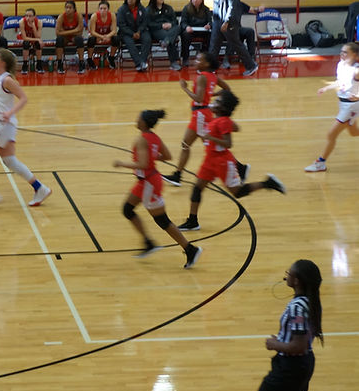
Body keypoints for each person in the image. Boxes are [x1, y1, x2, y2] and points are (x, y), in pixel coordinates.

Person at [240, 259, 326, 391]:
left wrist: (275, 344)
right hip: (302, 365)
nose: (286, 275)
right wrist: (282, 340)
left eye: (289, 273)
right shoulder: (310, 302)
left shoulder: (297, 308)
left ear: (297, 281)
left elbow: (299, 346)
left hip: (289, 369)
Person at [180, 90, 286, 231]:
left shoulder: (222, 121)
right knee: (197, 188)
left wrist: (211, 137)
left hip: (222, 162)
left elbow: (228, 143)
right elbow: (236, 127)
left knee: (238, 192)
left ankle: (268, 183)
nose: (214, 102)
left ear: (222, 108)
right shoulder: (220, 119)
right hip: (210, 160)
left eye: (217, 102)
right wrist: (228, 123)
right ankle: (192, 221)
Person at [113, 109, 202, 268]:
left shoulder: (142, 140)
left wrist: (122, 164)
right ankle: (148, 242)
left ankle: (190, 249)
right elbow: (167, 156)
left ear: (144, 122)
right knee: (127, 210)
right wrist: (152, 156)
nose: (136, 120)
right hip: (146, 182)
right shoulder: (154, 137)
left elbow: (143, 164)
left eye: (138, 118)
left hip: (149, 183)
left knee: (162, 220)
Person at [0, 48, 52, 210]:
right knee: (10, 161)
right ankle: (40, 188)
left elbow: (23, 98)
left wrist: (10, 112)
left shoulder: (7, 80)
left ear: (3, 62)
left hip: (1, 125)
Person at [162, 52, 239, 187]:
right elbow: (227, 89)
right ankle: (178, 175)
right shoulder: (212, 76)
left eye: (199, 60)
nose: (195, 61)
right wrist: (211, 94)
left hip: (200, 114)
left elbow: (198, 98)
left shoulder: (202, 77)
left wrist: (184, 88)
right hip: (203, 113)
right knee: (199, 145)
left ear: (207, 64)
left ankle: (178, 175)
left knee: (199, 145)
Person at [304, 42, 359, 172]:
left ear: (355, 55)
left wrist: (358, 96)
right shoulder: (341, 65)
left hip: (351, 106)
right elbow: (340, 82)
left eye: (345, 52)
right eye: (341, 51)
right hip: (343, 104)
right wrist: (327, 88)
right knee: (353, 132)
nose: (342, 54)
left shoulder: (356, 70)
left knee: (331, 135)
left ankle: (320, 163)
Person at [209, 0, 258, 76]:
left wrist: (227, 21)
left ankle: (251, 66)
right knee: (214, 45)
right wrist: (214, 22)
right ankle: (210, 68)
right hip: (217, 22)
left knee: (236, 45)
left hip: (229, 23)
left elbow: (232, 7)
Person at [147, 0, 182, 70]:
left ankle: (166, 41)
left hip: (170, 29)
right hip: (157, 30)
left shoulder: (168, 8)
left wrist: (170, 24)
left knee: (178, 27)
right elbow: (149, 24)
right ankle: (173, 62)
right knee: (171, 38)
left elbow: (175, 21)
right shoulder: (149, 9)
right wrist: (161, 25)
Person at [117, 0, 152, 71]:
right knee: (129, 42)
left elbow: (145, 22)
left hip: (140, 31)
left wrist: (139, 31)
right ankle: (139, 63)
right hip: (126, 33)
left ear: (137, 0)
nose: (130, 0)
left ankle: (142, 62)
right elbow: (121, 25)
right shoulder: (122, 10)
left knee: (147, 39)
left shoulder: (141, 9)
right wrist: (132, 34)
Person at [179, 0, 213, 65]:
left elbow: (210, 22)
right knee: (185, 35)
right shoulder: (186, 8)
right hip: (191, 31)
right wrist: (187, 27)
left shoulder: (206, 9)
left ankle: (204, 56)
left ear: (201, 0)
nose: (195, 0)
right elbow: (183, 22)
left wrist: (209, 25)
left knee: (210, 35)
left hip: (202, 30)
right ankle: (185, 58)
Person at [54, 0, 87, 74]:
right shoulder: (61, 17)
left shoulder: (78, 16)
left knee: (80, 39)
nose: (68, 9)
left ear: (74, 9)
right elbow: (57, 33)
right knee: (59, 39)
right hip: (65, 37)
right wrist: (74, 31)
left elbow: (80, 32)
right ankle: (60, 63)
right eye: (66, 7)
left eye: (70, 8)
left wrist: (64, 32)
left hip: (74, 37)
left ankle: (81, 63)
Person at [87, 0, 119, 69]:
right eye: (101, 8)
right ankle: (89, 59)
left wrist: (107, 36)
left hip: (107, 35)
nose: (103, 10)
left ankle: (111, 57)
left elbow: (114, 30)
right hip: (97, 35)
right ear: (98, 9)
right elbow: (92, 31)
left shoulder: (112, 15)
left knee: (116, 39)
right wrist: (102, 37)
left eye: (105, 9)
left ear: (108, 9)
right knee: (91, 39)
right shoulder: (94, 16)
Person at [18, 7, 44, 74]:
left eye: (30, 16)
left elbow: (38, 36)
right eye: (26, 16)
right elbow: (24, 37)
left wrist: (34, 27)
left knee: (38, 44)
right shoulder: (22, 22)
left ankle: (39, 65)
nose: (27, 18)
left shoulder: (39, 22)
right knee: (26, 43)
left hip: (33, 38)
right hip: (24, 39)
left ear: (34, 17)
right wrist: (37, 39)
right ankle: (25, 65)